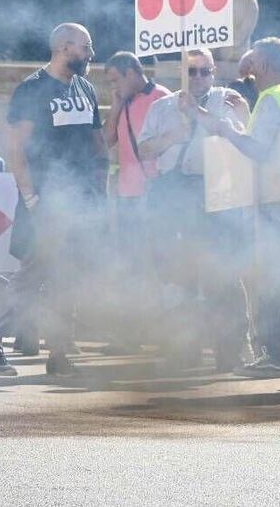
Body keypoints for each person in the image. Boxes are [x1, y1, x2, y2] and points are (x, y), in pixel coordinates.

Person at [0, 23, 107, 377]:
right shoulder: (32, 89)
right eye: (86, 46)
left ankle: (59, 352)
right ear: (64, 47)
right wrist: (31, 197)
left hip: (81, 199)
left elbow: (97, 144)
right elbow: (16, 149)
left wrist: (99, 192)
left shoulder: (86, 89)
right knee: (35, 272)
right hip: (47, 199)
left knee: (67, 276)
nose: (91, 53)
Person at [197, 37, 280, 377]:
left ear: (263, 64)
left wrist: (228, 131)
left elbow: (259, 150)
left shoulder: (271, 99)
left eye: (254, 60)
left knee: (275, 278)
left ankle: (277, 355)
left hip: (275, 197)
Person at [138, 48, 250, 369]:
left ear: (214, 73)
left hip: (217, 196)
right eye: (192, 72)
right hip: (176, 197)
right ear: (182, 74)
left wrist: (198, 113)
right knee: (179, 274)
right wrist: (174, 134)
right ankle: (184, 347)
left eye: (205, 71)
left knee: (222, 273)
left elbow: (237, 133)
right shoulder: (161, 108)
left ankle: (230, 351)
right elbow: (142, 150)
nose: (199, 77)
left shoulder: (229, 99)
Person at [101, 51, 171, 353]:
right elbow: (105, 141)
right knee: (130, 269)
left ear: (132, 72)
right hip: (128, 196)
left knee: (161, 267)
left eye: (116, 80)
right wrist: (116, 104)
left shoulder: (163, 97)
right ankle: (130, 335)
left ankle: (169, 333)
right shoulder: (124, 103)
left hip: (155, 194)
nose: (113, 86)